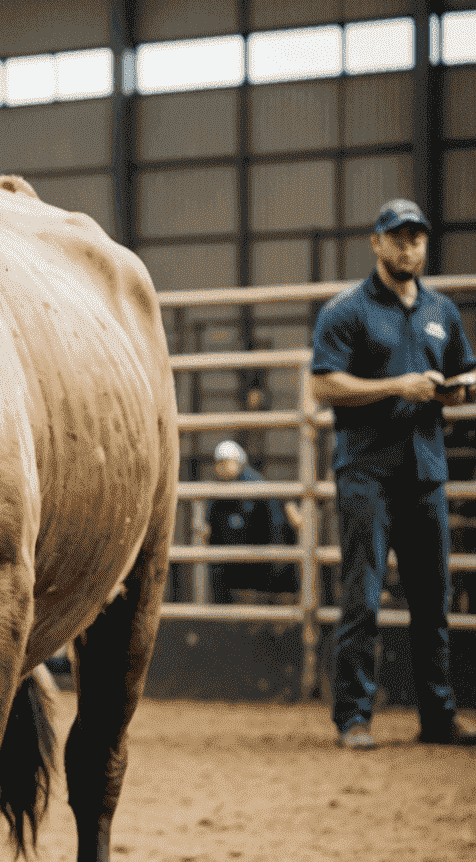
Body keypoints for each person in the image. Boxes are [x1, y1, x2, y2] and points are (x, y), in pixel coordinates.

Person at [310, 199, 476, 750]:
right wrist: (397, 386)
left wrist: (459, 389)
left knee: (433, 599)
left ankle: (438, 715)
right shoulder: (347, 311)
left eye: (417, 239)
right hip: (366, 474)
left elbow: (466, 370)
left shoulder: (441, 312)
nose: (409, 247)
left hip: (425, 472)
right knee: (364, 597)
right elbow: (324, 385)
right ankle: (353, 718)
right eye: (399, 238)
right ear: (376, 242)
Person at [204, 440, 301, 602]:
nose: (220, 467)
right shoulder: (221, 491)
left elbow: (275, 525)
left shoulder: (254, 485)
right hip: (247, 564)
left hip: (262, 562)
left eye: (224, 462)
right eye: (218, 463)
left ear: (237, 462)